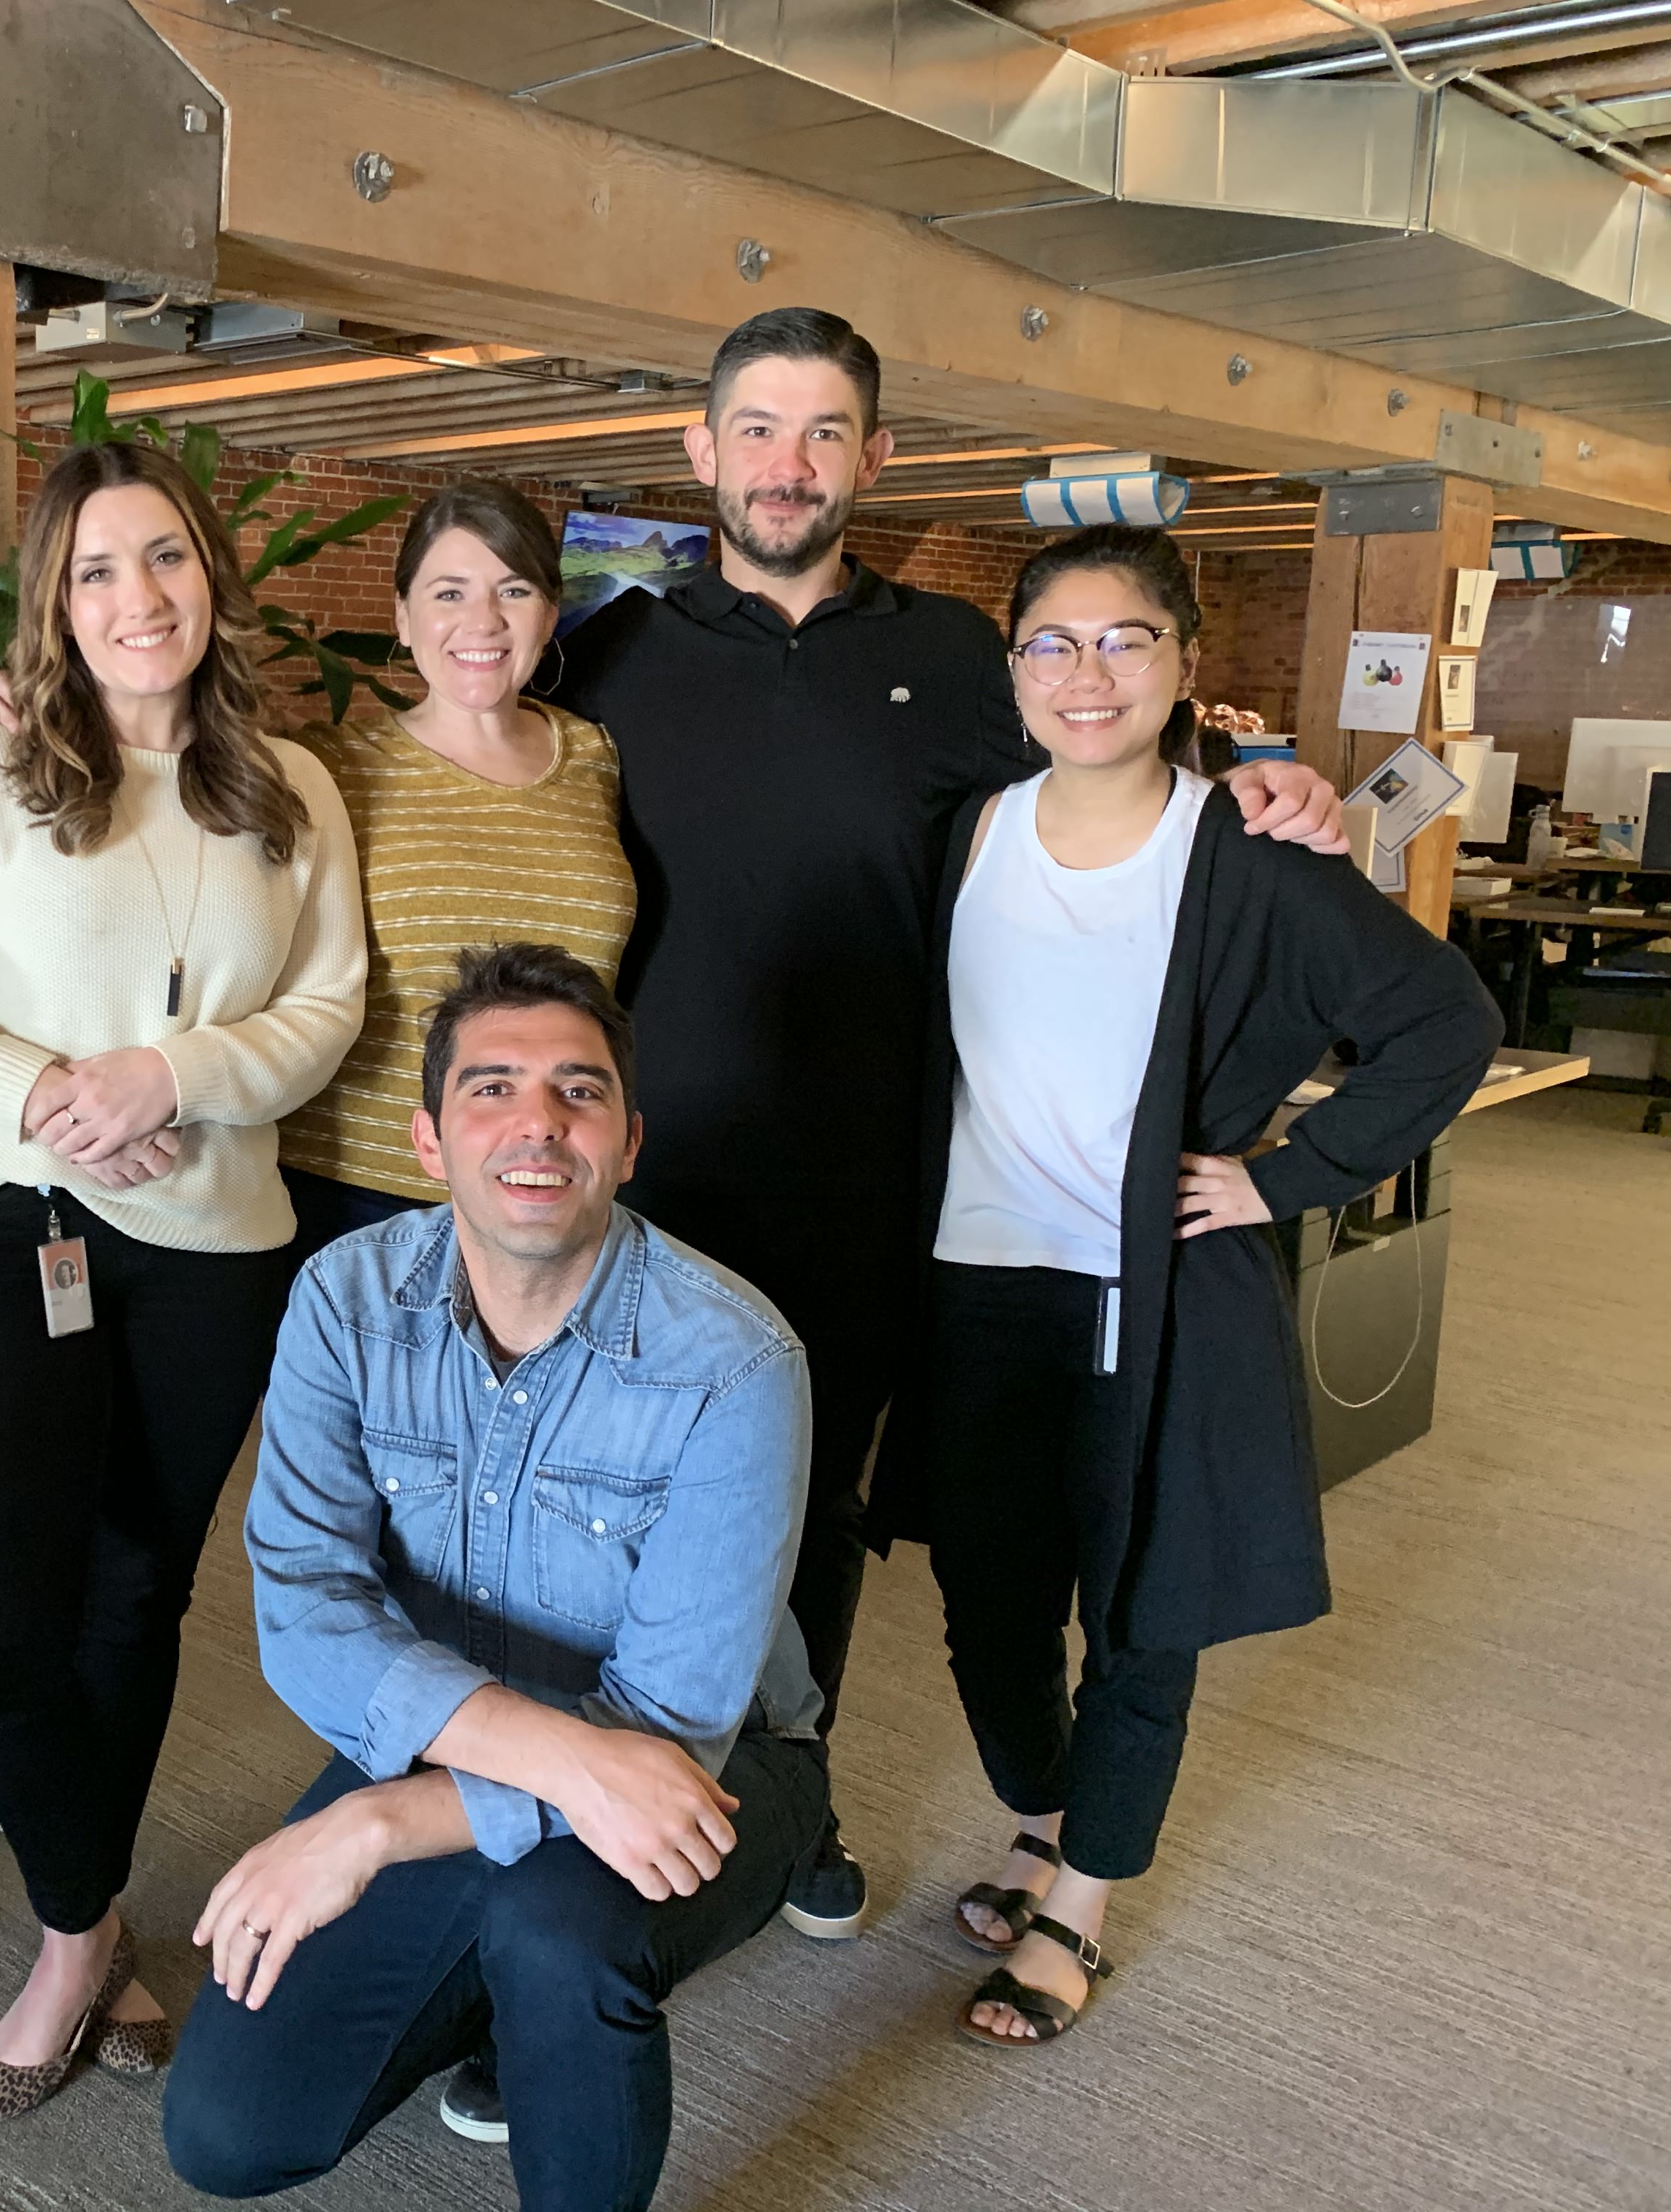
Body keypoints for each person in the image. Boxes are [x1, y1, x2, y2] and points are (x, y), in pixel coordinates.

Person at [551, 306, 1347, 1941]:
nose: (789, 465)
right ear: (699, 453)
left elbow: (1112, 755)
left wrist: (1273, 777)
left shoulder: (962, 663)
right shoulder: (610, 655)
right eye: (757, 430)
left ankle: (789, 1806)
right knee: (609, 1521)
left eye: (826, 432)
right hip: (639, 1181)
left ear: (875, 458)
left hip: (871, 1196)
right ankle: (592, 1837)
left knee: (814, 1517)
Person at [869, 524, 1500, 2047]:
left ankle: (1078, 1899)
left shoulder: (1245, 858)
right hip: (975, 1284)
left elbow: (1444, 1020)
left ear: (1185, 666)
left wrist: (1280, 1181)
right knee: (987, 1608)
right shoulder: (966, 829)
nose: (1088, 676)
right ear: (1012, 668)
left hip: (1147, 1297)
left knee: (1143, 1612)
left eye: (1125, 642)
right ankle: (1044, 1812)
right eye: (1053, 645)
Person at [0, 440, 366, 2124]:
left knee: (139, 1594)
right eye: (98, 571)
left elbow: (330, 1005)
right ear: (55, 601)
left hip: (215, 1242)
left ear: (214, 578)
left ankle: (81, 1932)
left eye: (167, 561)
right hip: (8, 1218)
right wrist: (44, 1099)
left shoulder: (291, 789)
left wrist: (173, 1074)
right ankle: (85, 1933)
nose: (138, 599)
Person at [162, 942, 828, 2212]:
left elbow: (671, 1727)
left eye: (579, 1091)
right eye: (491, 1087)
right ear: (427, 1139)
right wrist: (552, 1761)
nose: (536, 1121)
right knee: (229, 2131)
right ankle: (488, 1986)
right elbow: (303, 1602)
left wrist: (368, 1823)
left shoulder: (736, 1358)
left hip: (718, 1757)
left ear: (629, 1140)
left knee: (557, 1936)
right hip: (467, 1727)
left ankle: (525, 1988)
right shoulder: (341, 1297)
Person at [0, 480, 630, 1274]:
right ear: (403, 619)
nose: (482, 621)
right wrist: (23, 710)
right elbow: (159, 857)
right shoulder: (323, 770)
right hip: (353, 1194)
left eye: (513, 590)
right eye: (450, 592)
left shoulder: (596, 758)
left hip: (546, 1184)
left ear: (551, 614)